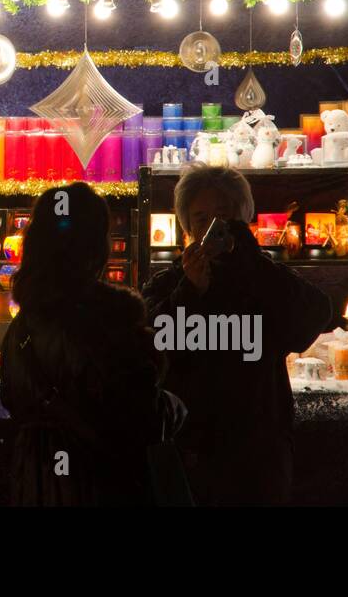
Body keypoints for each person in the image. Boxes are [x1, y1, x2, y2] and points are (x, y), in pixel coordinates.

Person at [141, 164, 333, 505]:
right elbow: (150, 349)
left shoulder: (263, 279)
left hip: (257, 455)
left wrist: (251, 261)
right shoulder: (169, 284)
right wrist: (189, 293)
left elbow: (311, 318)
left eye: (222, 217)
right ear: (186, 225)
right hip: (189, 453)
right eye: (200, 219)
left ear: (241, 219)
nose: (210, 228)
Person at [0, 182, 182, 506]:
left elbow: (13, 400)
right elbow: (142, 419)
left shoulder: (22, 326)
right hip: (97, 486)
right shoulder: (109, 322)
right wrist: (175, 406)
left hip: (37, 485)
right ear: (97, 247)